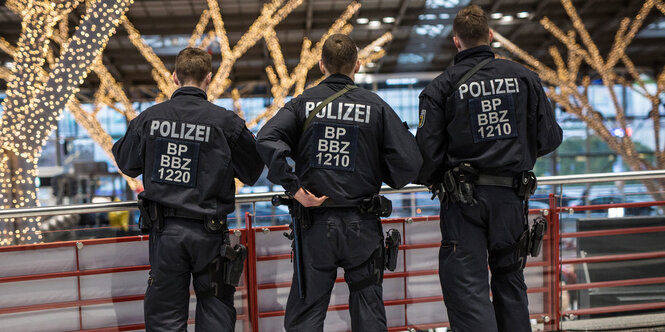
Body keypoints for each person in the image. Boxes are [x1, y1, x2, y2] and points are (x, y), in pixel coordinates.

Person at [257, 34, 422, 332]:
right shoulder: (376, 106)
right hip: (363, 224)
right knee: (369, 312)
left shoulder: (302, 104)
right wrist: (380, 172)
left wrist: (294, 188)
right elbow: (409, 162)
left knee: (306, 316)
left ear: (321, 65)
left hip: (314, 225)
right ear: (357, 65)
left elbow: (267, 138)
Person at [415, 5, 562, 332]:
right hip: (511, 198)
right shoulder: (525, 78)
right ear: (491, 36)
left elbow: (426, 154)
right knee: (510, 281)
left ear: (456, 41)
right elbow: (550, 137)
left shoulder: (441, 87)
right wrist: (515, 155)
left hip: (463, 203)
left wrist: (434, 178)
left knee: (468, 289)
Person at [112, 47, 264, 331]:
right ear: (208, 78)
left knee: (165, 318)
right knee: (216, 313)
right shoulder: (226, 122)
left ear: (174, 78)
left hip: (165, 234)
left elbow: (126, 162)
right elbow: (253, 171)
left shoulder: (149, 118)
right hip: (210, 235)